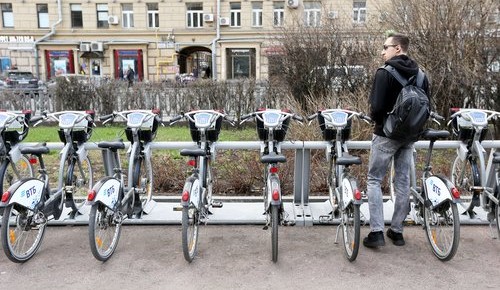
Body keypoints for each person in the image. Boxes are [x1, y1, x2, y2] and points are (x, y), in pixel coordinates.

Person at [363, 32, 430, 248]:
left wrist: (379, 121)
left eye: (386, 47)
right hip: (409, 137)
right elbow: (427, 107)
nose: (383, 51)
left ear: (398, 48)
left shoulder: (385, 72)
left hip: (385, 135)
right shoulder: (421, 75)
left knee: (374, 180)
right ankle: (397, 231)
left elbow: (377, 107)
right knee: (403, 183)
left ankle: (376, 232)